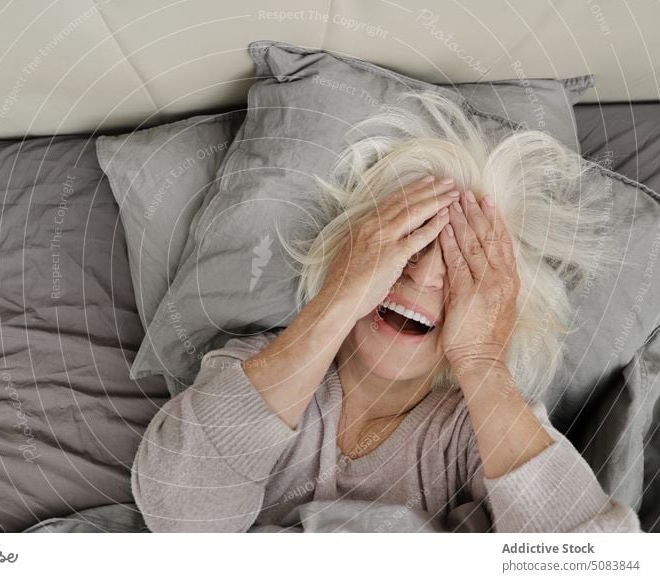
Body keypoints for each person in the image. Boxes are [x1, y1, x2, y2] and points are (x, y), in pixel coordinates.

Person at [130, 90, 642, 533]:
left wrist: (483, 361)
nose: (422, 277)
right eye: (406, 245)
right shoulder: (255, 368)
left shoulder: (475, 435)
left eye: (461, 268)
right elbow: (177, 517)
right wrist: (337, 299)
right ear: (353, 257)